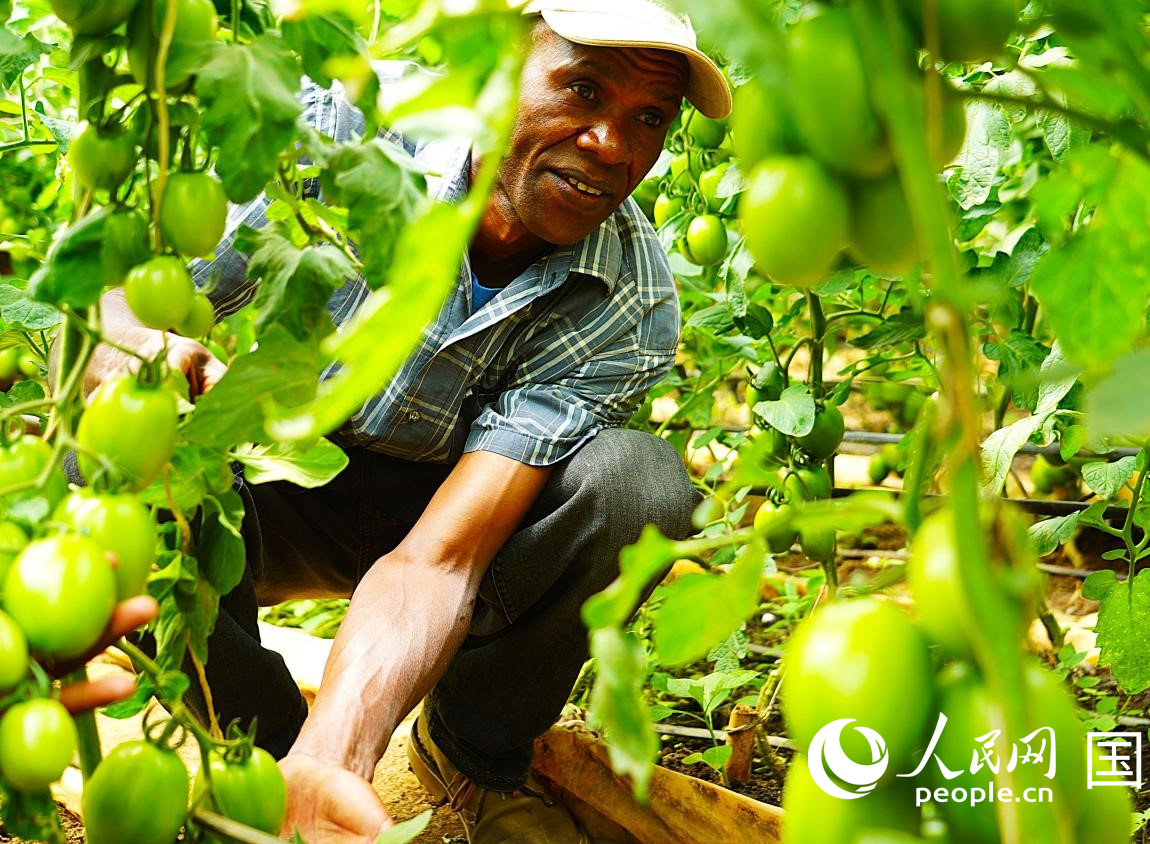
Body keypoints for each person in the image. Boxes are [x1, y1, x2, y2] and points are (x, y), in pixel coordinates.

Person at [87, 1, 730, 841]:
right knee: (99, 472)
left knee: (637, 485)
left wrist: (339, 750)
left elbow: (439, 560)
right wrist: (133, 347)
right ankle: (255, 749)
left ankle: (459, 757)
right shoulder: (338, 135)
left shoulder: (628, 301)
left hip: (447, 509)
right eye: (581, 88)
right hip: (266, 478)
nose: (612, 145)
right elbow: (119, 305)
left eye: (649, 118)